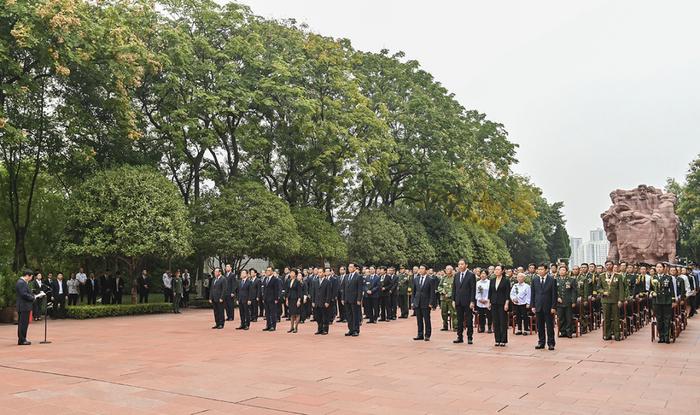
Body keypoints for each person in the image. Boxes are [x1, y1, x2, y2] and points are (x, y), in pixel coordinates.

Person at [531, 263, 557, 350]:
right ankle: (541, 342)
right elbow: (533, 294)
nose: (540, 271)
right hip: (538, 306)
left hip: (548, 306)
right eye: (539, 269)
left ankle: (551, 343)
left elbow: (554, 294)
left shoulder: (552, 280)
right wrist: (533, 306)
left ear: (546, 270)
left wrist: (553, 306)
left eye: (542, 269)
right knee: (540, 326)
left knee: (549, 326)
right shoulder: (535, 279)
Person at [597, 260, 624, 341]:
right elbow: (598, 288)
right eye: (607, 265)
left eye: (610, 264)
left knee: (616, 318)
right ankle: (607, 335)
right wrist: (603, 292)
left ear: (613, 266)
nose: (609, 266)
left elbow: (621, 289)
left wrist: (620, 300)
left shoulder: (618, 276)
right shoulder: (601, 276)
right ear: (605, 266)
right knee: (606, 318)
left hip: (615, 300)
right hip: (605, 300)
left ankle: (617, 335)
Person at [17, 270, 46, 345]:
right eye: (31, 277)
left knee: (23, 323)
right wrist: (33, 297)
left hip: (24, 306)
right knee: (23, 323)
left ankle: (22, 339)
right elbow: (24, 294)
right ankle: (22, 340)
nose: (31, 278)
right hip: (23, 306)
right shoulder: (21, 283)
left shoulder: (23, 282)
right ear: (27, 275)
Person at [453, 259, 476, 344]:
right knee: (459, 320)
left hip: (468, 301)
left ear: (466, 265)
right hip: (458, 301)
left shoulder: (471, 275)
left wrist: (472, 301)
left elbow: (473, 289)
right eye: (459, 264)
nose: (460, 266)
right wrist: (453, 299)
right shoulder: (456, 275)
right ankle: (459, 337)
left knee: (469, 320)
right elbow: (454, 288)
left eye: (462, 264)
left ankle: (470, 337)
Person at [412, 265, 437, 341]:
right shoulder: (416, 279)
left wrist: (431, 303)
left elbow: (432, 293)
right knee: (419, 320)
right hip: (417, 302)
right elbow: (414, 291)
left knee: (426, 319)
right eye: (420, 268)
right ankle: (420, 334)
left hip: (426, 302)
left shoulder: (430, 279)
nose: (420, 270)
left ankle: (427, 335)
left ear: (426, 270)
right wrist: (413, 301)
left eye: (422, 268)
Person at [488, 265, 510, 347]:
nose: (496, 271)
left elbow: (507, 293)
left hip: (502, 303)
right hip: (493, 303)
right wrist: (489, 302)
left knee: (502, 322)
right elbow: (490, 292)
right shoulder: (492, 280)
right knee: (495, 321)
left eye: (498, 269)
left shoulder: (506, 281)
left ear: (502, 271)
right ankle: (497, 339)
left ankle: (503, 340)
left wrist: (506, 303)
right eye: (495, 269)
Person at [651, 263, 674, 343]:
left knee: (667, 319)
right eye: (657, 267)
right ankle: (661, 337)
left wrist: (673, 300)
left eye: (660, 267)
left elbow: (672, 290)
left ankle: (666, 337)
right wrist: (652, 293)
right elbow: (650, 289)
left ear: (664, 268)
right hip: (657, 301)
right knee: (659, 319)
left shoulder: (668, 277)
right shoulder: (653, 277)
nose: (659, 269)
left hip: (666, 301)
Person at [556, 265, 577, 338]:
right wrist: (557, 297)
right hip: (559, 302)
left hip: (568, 302)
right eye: (561, 270)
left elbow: (574, 291)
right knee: (561, 318)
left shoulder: (571, 280)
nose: (562, 271)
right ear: (558, 271)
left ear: (567, 271)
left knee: (568, 318)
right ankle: (562, 331)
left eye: (563, 270)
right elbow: (553, 291)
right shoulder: (555, 280)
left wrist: (574, 301)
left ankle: (569, 332)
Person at [343, 263, 364, 337]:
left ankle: (356, 330)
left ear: (355, 268)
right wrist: (343, 298)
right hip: (347, 299)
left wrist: (359, 299)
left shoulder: (358, 277)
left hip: (355, 299)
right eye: (349, 267)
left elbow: (360, 289)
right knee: (349, 315)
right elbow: (344, 288)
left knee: (355, 315)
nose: (349, 268)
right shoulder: (346, 276)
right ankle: (350, 329)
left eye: (351, 267)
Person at [312, 269, 332, 335]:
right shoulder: (315, 281)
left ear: (323, 273)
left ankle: (325, 330)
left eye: (320, 272)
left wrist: (327, 301)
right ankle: (319, 329)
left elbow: (329, 293)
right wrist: (313, 301)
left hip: (324, 302)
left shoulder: (327, 282)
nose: (319, 274)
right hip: (317, 302)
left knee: (325, 316)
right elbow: (313, 292)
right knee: (318, 317)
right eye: (318, 272)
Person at [263, 267, 281, 331]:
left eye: (269, 270)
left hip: (272, 298)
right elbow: (264, 289)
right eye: (267, 270)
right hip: (266, 298)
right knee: (267, 313)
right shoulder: (265, 279)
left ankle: (273, 326)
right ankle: (268, 325)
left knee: (273, 313)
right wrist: (263, 297)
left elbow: (276, 289)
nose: (267, 272)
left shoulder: (275, 279)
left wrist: (276, 299)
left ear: (272, 272)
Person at [438, 266, 456, 331]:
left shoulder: (454, 278)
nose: (447, 270)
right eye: (446, 269)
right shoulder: (443, 278)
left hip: (451, 298)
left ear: (452, 270)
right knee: (443, 313)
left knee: (453, 313)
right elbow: (439, 286)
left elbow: (456, 288)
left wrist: (449, 294)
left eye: (449, 269)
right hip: (443, 298)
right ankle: (445, 326)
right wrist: (442, 291)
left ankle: (455, 326)